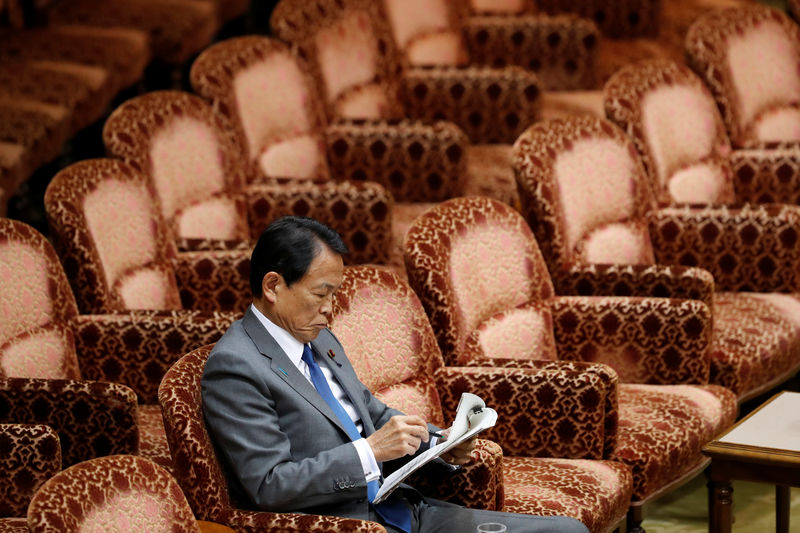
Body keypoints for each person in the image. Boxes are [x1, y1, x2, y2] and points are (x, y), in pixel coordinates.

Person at [202, 216, 589, 533]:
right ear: (273, 286)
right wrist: (369, 452)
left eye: (335, 294)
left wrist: (441, 443)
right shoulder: (236, 366)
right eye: (321, 294)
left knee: (567, 531)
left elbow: (375, 414)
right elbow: (270, 485)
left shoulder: (319, 339)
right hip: (343, 525)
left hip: (403, 509)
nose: (331, 308)